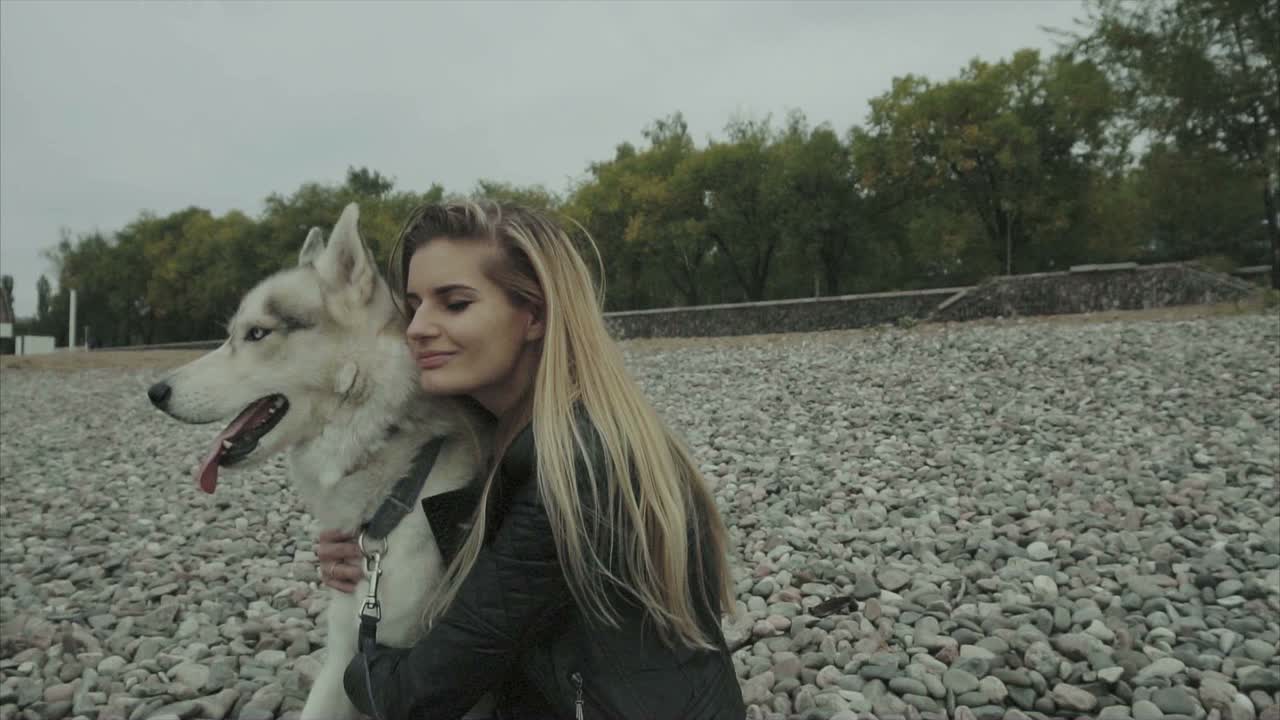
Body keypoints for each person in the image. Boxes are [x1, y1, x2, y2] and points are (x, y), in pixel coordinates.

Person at [315, 201, 747, 719]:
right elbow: (502, 587)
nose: (417, 327)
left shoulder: (578, 470)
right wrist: (376, 548)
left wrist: (355, 644)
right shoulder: (538, 432)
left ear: (535, 316)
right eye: (413, 305)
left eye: (454, 304)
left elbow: (413, 697)